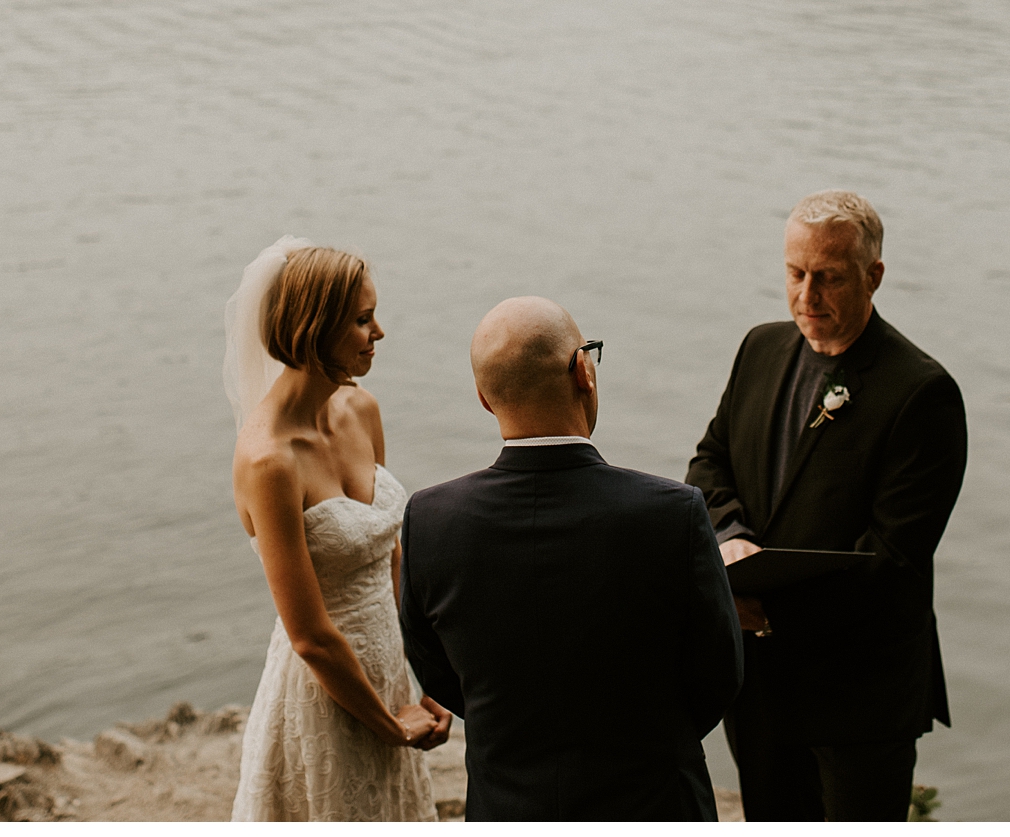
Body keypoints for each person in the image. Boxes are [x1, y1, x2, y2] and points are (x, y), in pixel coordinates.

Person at [399, 296, 744, 821]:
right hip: (651, 800)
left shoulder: (431, 519)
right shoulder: (671, 513)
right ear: (583, 370)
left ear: (484, 398)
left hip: (507, 806)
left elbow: (439, 673)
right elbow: (719, 671)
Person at [686, 190, 967, 821]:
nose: (807, 297)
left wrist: (768, 610)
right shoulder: (760, 348)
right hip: (760, 688)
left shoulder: (921, 393)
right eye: (795, 274)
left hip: (859, 694)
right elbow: (710, 464)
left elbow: (892, 559)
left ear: (874, 276)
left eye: (829, 278)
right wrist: (729, 536)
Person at [226, 237, 452, 822]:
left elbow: (391, 552)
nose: (379, 333)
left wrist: (423, 680)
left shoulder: (362, 411)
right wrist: (389, 723)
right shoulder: (268, 460)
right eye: (362, 319)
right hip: (325, 694)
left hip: (391, 667)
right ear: (314, 327)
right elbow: (309, 636)